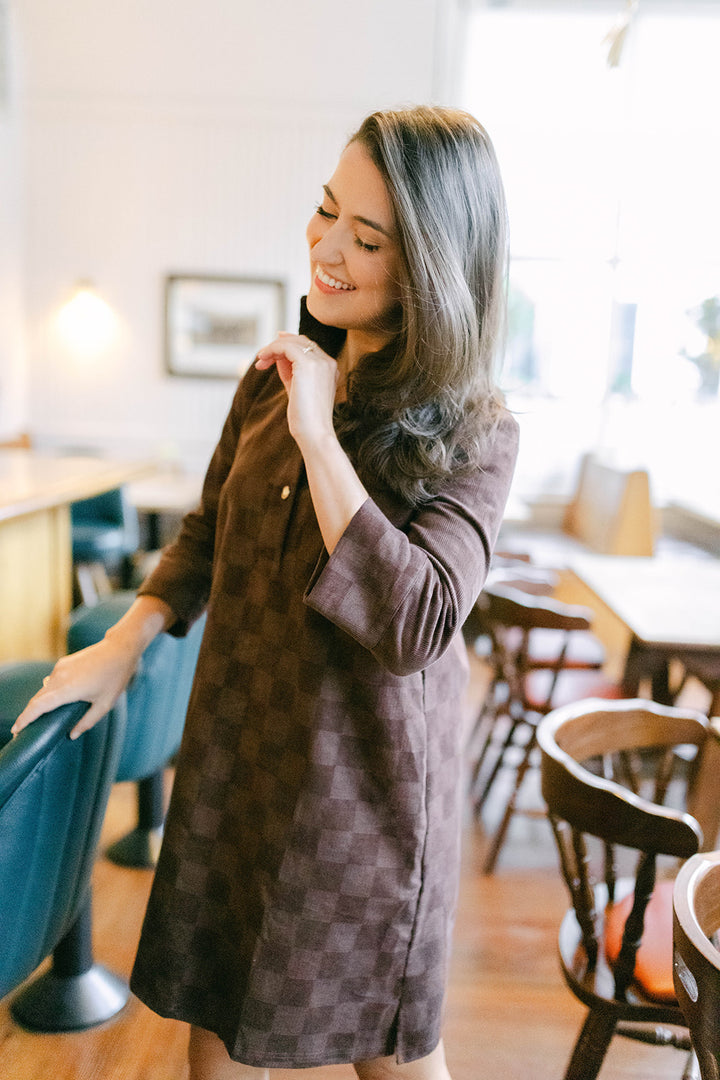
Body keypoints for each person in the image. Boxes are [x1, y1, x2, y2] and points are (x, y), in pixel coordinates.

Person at [14, 105, 519, 1080]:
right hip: (236, 756)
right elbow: (205, 534)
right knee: (216, 1007)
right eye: (325, 211)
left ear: (433, 268)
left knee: (390, 1050)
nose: (325, 248)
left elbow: (417, 620)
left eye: (366, 237)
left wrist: (322, 437)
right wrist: (120, 648)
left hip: (363, 798)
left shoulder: (479, 434)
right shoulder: (273, 377)